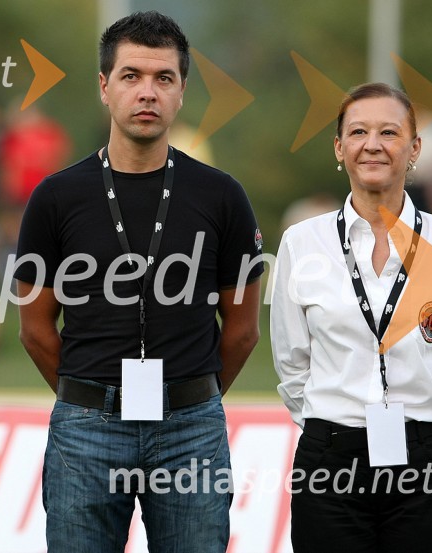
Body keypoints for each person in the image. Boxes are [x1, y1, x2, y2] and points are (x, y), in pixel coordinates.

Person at [15, 11, 263, 552]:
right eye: (131, 76)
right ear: (105, 87)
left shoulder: (222, 197)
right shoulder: (55, 198)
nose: (147, 92)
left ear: (181, 93)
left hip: (191, 429)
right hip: (86, 429)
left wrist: (192, 399)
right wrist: (90, 397)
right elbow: (34, 328)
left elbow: (242, 328)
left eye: (163, 78)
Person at [271, 82, 432, 552]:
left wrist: (428, 431)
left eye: (389, 132)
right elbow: (292, 362)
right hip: (331, 461)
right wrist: (333, 426)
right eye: (358, 132)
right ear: (339, 147)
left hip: (429, 458)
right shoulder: (302, 243)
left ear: (414, 148)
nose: (373, 144)